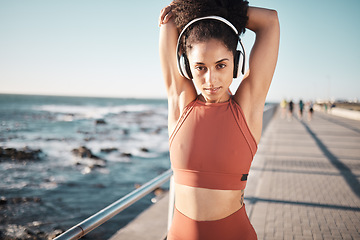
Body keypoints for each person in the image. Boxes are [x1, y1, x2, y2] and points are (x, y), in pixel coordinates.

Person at [159, 0, 279, 239]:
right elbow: (171, 22)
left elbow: (270, 21)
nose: (210, 79)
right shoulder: (180, 104)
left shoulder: (247, 108)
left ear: (236, 63)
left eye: (221, 65)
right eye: (200, 67)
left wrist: (213, 8)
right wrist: (186, 10)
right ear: (187, 67)